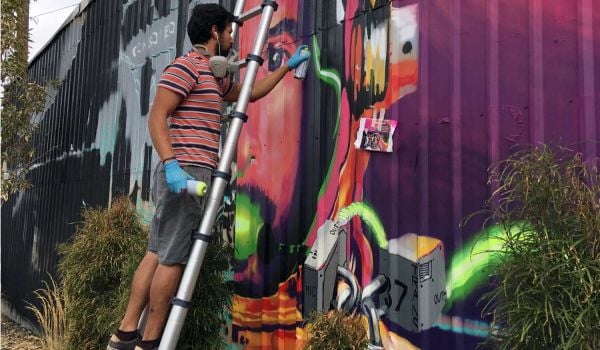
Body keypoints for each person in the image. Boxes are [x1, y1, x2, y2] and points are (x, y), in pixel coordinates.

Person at [106, 3, 310, 350]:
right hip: (185, 172)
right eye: (230, 32)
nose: (234, 39)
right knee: (172, 257)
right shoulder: (185, 67)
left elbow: (251, 93)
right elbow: (158, 116)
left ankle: (125, 334)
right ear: (215, 32)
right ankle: (151, 340)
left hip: (186, 171)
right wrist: (171, 164)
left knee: (156, 251)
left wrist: (287, 69)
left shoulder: (212, 76)